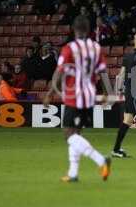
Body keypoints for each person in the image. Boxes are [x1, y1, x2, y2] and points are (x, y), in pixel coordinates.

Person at [43, 15, 112, 183]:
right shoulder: (95, 47)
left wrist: (50, 92)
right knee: (76, 133)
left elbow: (59, 72)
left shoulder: (69, 48)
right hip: (89, 96)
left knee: (68, 134)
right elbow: (103, 72)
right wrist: (106, 92)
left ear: (74, 30)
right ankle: (73, 173)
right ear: (88, 31)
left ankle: (101, 160)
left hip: (74, 97)